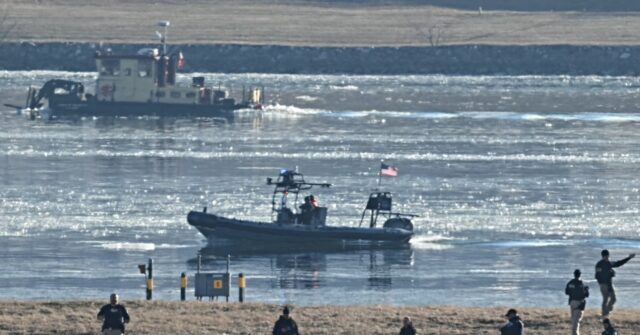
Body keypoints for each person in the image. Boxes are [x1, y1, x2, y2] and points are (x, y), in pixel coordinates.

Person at [595, 249, 635, 316]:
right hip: (603, 284)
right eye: (606, 256)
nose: (607, 257)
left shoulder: (609, 263)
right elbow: (597, 276)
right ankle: (604, 314)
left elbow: (619, 263)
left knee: (613, 299)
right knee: (605, 299)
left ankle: (607, 311)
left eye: (607, 256)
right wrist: (604, 280)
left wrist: (629, 258)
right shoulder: (599, 264)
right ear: (603, 256)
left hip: (609, 284)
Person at [565, 269, 589, 335]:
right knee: (576, 322)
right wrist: (586, 290)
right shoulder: (581, 284)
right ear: (580, 275)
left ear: (574, 274)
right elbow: (586, 295)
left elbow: (566, 292)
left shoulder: (570, 282)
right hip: (579, 303)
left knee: (574, 321)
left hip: (572, 302)